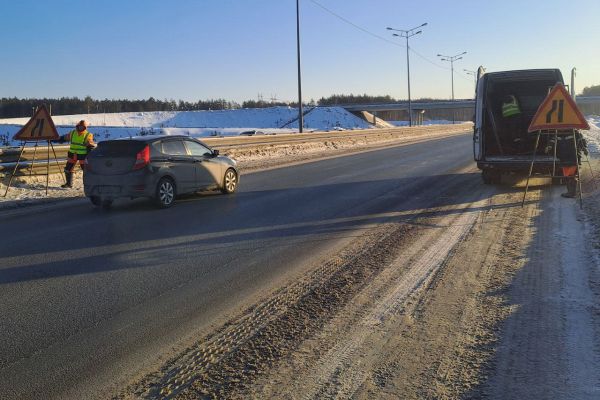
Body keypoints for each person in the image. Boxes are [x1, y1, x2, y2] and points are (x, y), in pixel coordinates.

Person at [58, 120, 96, 188]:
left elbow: (91, 145)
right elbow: (64, 138)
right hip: (72, 154)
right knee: (67, 169)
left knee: (86, 171)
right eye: (80, 127)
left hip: (83, 155)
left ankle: (89, 185)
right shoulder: (72, 133)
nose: (80, 128)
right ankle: (68, 184)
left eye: (82, 127)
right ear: (77, 126)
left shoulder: (88, 135)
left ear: (85, 128)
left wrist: (89, 153)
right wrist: (56, 139)